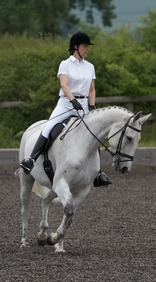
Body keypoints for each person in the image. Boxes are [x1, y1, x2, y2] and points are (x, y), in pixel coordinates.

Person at [20, 31, 112, 187]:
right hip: (66, 104)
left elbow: (91, 89)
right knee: (49, 127)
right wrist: (72, 100)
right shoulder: (65, 64)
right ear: (75, 47)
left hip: (83, 106)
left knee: (93, 133)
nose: (87, 49)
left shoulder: (90, 66)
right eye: (84, 46)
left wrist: (91, 105)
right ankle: (31, 159)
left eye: (87, 47)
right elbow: (64, 85)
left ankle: (98, 173)